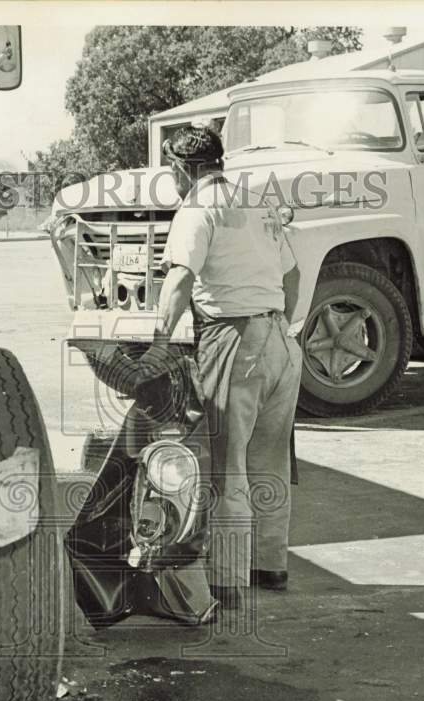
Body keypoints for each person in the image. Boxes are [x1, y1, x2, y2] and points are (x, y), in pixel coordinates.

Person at [141, 124, 302, 611]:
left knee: (227, 468)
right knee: (270, 462)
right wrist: (277, 324)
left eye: (172, 168)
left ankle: (230, 583)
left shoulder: (196, 208)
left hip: (234, 342)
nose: (170, 176)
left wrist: (157, 342)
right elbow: (292, 275)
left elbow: (180, 280)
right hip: (280, 340)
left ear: (186, 169)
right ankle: (270, 567)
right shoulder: (257, 202)